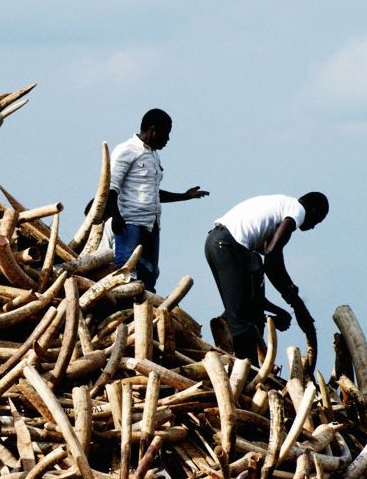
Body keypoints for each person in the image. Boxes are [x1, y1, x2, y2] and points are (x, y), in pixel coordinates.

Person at [204, 192, 329, 363]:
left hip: (215, 242)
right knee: (240, 321)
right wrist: (295, 303)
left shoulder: (256, 249)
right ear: (313, 210)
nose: (313, 226)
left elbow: (258, 294)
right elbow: (272, 257)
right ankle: (248, 374)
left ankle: (243, 364)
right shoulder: (298, 210)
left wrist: (279, 313)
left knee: (244, 313)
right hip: (227, 245)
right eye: (318, 220)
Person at [108, 108, 208, 291]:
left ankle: (144, 316)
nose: (168, 139)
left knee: (149, 278)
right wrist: (116, 216)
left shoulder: (153, 155)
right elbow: (111, 188)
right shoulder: (126, 150)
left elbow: (152, 193)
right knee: (127, 276)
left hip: (151, 226)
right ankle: (124, 315)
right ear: (153, 130)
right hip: (130, 224)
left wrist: (185, 196)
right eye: (166, 133)